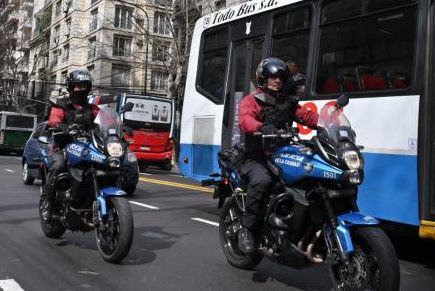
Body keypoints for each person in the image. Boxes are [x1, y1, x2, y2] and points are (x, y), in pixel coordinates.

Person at [237, 58, 318, 253]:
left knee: (308, 177)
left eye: (280, 77)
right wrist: (261, 127)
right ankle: (246, 230)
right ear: (263, 79)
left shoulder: (287, 103)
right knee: (263, 181)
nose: (277, 81)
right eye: (272, 77)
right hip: (256, 157)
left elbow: (307, 116)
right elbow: (245, 119)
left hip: (282, 155)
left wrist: (328, 120)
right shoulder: (252, 101)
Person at [41, 69, 99, 221]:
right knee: (59, 165)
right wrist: (60, 125)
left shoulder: (92, 108)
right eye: (78, 86)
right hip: (63, 147)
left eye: (84, 86)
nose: (81, 89)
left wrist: (120, 126)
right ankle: (48, 202)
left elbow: (103, 120)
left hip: (87, 148)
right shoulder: (61, 105)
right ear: (71, 87)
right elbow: (53, 119)